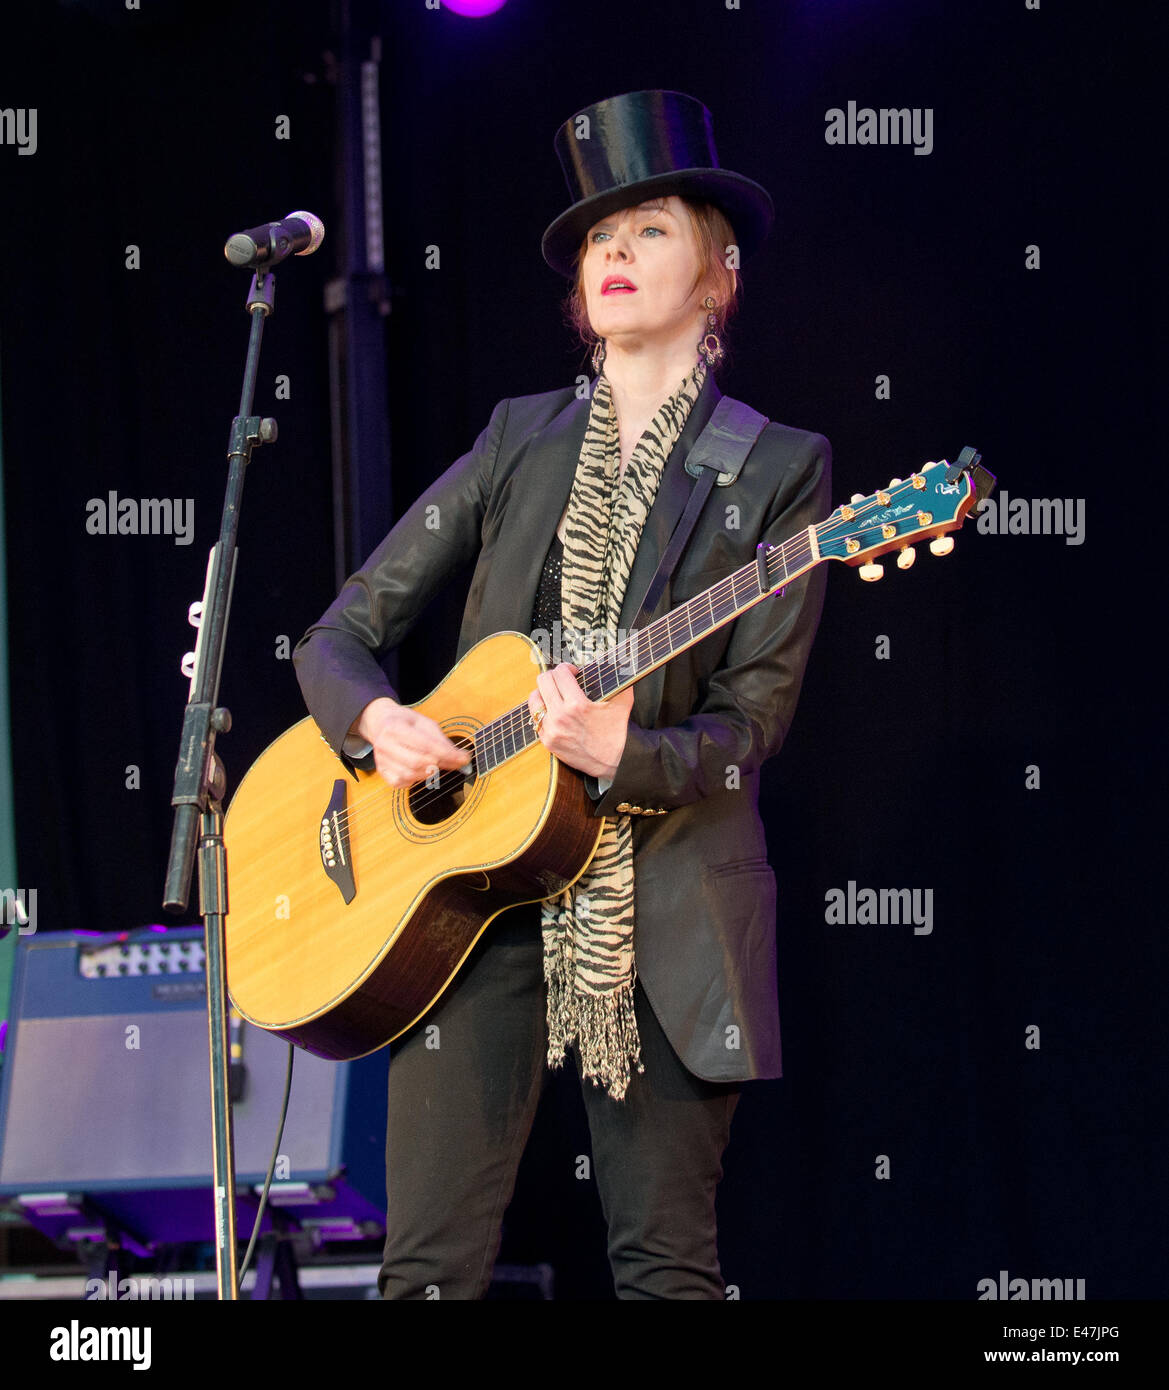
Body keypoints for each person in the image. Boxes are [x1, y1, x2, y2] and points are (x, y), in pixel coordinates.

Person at [293, 89, 832, 1300]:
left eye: (647, 229)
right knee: (423, 1270)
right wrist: (377, 722)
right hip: (466, 901)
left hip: (667, 895)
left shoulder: (778, 467)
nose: (613, 255)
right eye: (597, 238)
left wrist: (616, 751)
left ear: (717, 273)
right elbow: (338, 635)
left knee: (661, 1271)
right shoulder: (516, 439)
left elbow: (749, 733)